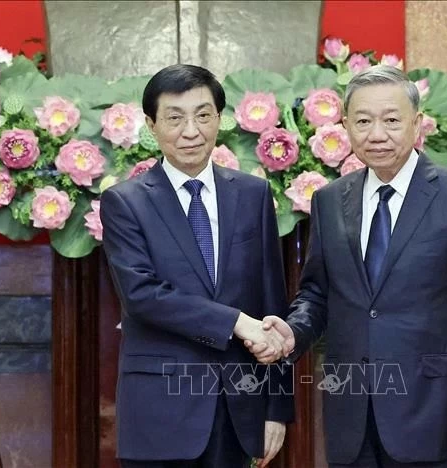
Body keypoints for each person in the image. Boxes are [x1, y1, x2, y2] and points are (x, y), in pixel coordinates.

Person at [247, 65, 447, 467]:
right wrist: (293, 332)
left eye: (391, 120)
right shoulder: (331, 200)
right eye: (364, 121)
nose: (377, 134)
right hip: (350, 414)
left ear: (417, 123)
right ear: (346, 125)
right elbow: (317, 293)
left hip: (432, 412)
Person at [100, 64, 294, 468]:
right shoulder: (126, 202)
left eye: (203, 115)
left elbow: (273, 303)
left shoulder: (253, 194)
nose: (191, 131)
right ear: (152, 125)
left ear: (219, 120)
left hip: (239, 411)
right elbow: (142, 296)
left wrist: (277, 408)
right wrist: (236, 321)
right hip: (160, 413)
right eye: (175, 117)